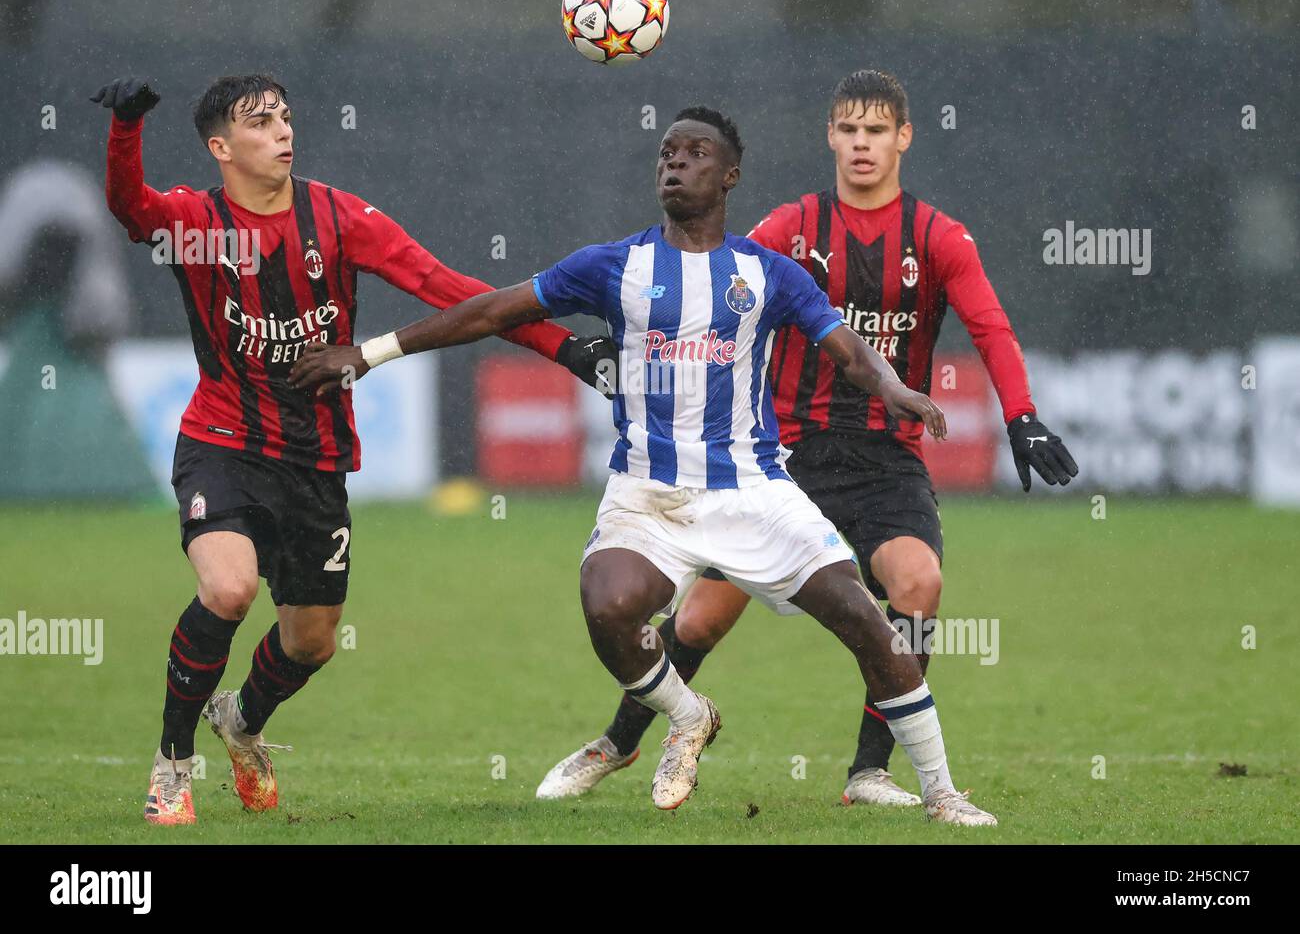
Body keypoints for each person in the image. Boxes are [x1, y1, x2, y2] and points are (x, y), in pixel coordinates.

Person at [291, 105, 998, 825]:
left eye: (694, 154)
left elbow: (848, 351)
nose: (675, 163)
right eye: (667, 152)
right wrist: (371, 352)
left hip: (752, 491)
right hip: (647, 494)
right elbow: (492, 312)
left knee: (871, 628)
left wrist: (894, 387)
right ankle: (688, 717)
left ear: (729, 177)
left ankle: (941, 794)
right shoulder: (613, 266)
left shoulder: (768, 274)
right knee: (608, 605)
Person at [536, 70, 1078, 809]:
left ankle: (869, 771)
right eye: (849, 130)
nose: (862, 145)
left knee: (916, 585)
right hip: (780, 456)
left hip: (885, 456)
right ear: (831, 136)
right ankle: (621, 742)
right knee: (697, 620)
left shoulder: (938, 237)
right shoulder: (791, 228)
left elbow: (991, 325)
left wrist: (1021, 414)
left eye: (877, 131)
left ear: (903, 139)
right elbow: (701, 287)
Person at [92, 74, 614, 825]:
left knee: (311, 643)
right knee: (229, 590)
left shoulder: (339, 218)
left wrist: (562, 347)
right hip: (223, 442)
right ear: (220, 148)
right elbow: (128, 207)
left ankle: (240, 721)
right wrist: (127, 130)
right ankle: (173, 763)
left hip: (317, 459)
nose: (282, 131)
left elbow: (450, 289)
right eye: (260, 121)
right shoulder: (195, 222)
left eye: (285, 117)